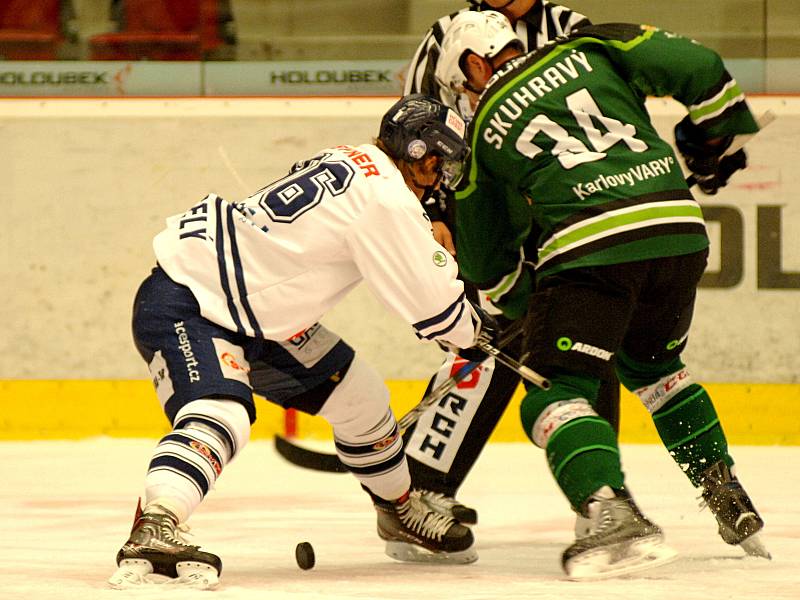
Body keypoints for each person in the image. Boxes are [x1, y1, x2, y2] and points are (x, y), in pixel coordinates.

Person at [108, 94, 499, 589]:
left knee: (361, 398)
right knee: (222, 414)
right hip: (194, 300)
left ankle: (398, 509)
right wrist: (475, 330)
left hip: (254, 314)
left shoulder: (352, 160)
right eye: (438, 160)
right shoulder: (384, 197)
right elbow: (434, 309)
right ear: (418, 148)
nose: (441, 174)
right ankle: (156, 525)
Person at [437, 11, 768, 578]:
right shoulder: (594, 46)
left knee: (553, 392)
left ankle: (610, 515)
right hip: (679, 232)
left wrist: (525, 309)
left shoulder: (483, 127)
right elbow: (701, 67)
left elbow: (488, 257)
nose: (463, 100)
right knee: (658, 368)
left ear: (473, 63)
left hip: (591, 250)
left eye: (458, 88)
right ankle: (726, 492)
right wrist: (711, 139)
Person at [399, 0, 622, 530]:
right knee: (490, 339)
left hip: (564, 207)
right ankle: (424, 485)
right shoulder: (445, 35)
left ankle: (601, 494)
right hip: (482, 211)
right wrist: (432, 211)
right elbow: (413, 129)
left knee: (586, 346)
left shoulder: (569, 29)